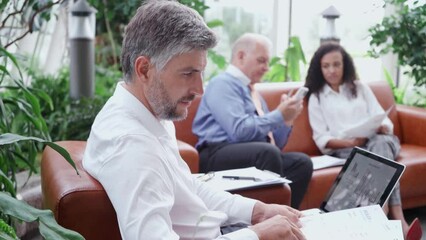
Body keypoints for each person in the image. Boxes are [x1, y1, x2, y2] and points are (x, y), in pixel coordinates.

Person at [83, 1, 306, 239]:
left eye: (200, 73)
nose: (199, 89)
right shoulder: (133, 145)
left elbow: (187, 187)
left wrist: (257, 212)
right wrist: (256, 235)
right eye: (188, 73)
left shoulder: (151, 115)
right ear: (145, 69)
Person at [305, 42, 422, 240]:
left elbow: (381, 117)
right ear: (319, 68)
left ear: (345, 65)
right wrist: (351, 143)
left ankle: (380, 212)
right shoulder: (316, 97)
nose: (332, 70)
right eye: (326, 66)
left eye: (336, 64)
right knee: (372, 155)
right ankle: (398, 221)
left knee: (379, 145)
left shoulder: (359, 88)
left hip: (377, 140)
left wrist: (382, 126)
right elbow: (322, 139)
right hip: (347, 149)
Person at [192, 33, 313, 209]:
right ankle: (266, 222)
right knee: (267, 153)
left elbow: (276, 144)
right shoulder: (222, 84)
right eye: (261, 61)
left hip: (256, 151)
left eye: (267, 62)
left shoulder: (253, 92)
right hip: (216, 153)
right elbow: (239, 130)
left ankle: (285, 217)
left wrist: (286, 120)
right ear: (241, 56)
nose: (266, 68)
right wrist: (278, 115)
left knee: (301, 162)